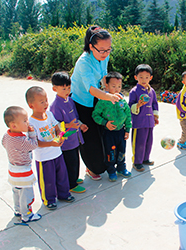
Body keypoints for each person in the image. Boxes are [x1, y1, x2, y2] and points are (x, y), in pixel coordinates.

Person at [70, 26, 122, 181]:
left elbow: (103, 76)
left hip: (98, 99)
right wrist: (109, 97)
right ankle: (92, 168)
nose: (106, 53)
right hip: (81, 102)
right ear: (91, 47)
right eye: (102, 50)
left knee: (102, 132)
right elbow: (91, 89)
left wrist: (110, 91)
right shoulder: (84, 62)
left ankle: (99, 163)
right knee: (89, 136)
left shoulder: (103, 56)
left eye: (109, 49)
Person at [26, 86, 75, 210]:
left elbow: (57, 127)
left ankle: (64, 194)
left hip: (57, 153)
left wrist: (61, 136)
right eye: (41, 101)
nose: (46, 103)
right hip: (44, 158)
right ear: (31, 105)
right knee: (48, 180)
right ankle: (49, 199)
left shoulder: (49, 114)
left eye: (46, 100)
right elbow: (35, 143)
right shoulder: (31, 123)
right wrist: (51, 143)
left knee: (62, 176)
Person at [1, 106, 42, 223]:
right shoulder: (22, 140)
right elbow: (34, 145)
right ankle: (27, 214)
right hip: (23, 171)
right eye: (24, 121)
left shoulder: (7, 136)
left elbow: (3, 143)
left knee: (17, 191)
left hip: (12, 169)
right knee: (27, 194)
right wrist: (32, 133)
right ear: (14, 125)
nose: (27, 122)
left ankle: (18, 210)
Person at [50, 71, 88, 193]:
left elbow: (75, 117)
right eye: (63, 88)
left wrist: (80, 125)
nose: (67, 91)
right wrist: (68, 125)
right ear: (54, 89)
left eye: (68, 87)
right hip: (66, 141)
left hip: (75, 138)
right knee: (70, 162)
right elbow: (54, 125)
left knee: (75, 160)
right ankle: (71, 184)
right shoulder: (55, 106)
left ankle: (74, 179)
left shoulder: (69, 100)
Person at [92, 72, 132, 182]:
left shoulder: (122, 100)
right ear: (107, 86)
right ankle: (111, 170)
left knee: (122, 150)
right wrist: (105, 123)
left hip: (121, 131)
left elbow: (128, 115)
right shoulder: (103, 101)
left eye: (119, 86)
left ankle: (121, 168)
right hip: (109, 133)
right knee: (110, 152)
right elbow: (95, 115)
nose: (117, 89)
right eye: (113, 86)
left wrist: (127, 129)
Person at [128, 64, 159, 172]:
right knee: (139, 142)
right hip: (139, 122)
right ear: (136, 77)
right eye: (141, 77)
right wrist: (138, 105)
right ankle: (137, 162)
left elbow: (155, 104)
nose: (144, 79)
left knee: (148, 141)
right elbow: (129, 106)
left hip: (150, 122)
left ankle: (145, 159)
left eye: (146, 77)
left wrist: (155, 116)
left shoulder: (152, 91)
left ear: (150, 78)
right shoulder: (134, 91)